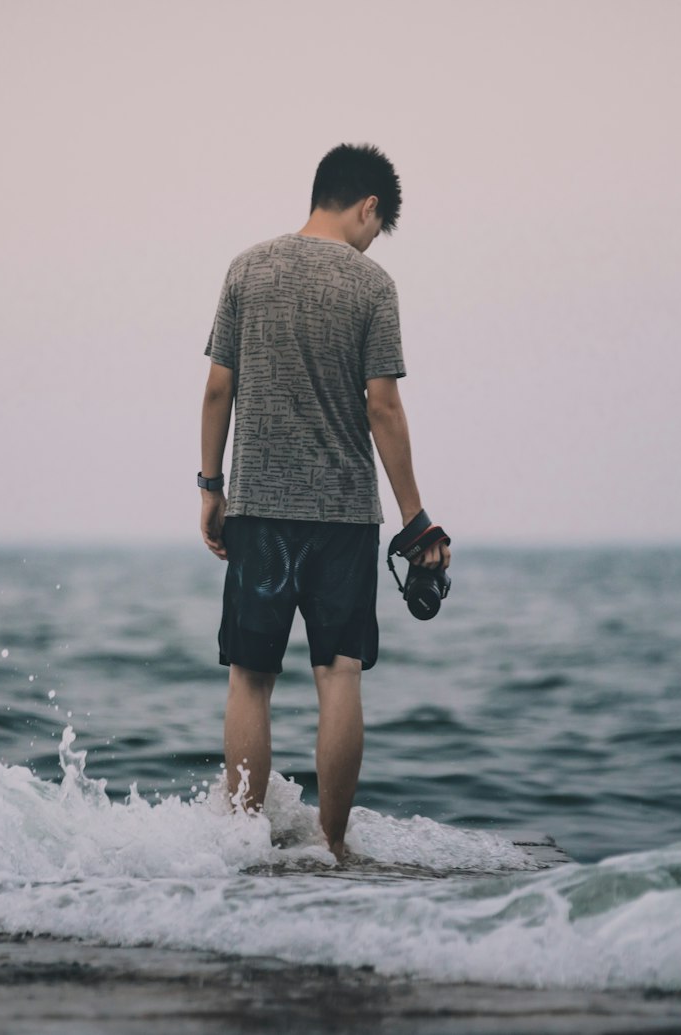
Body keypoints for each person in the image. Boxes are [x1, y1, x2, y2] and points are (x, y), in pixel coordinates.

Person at [197, 142, 450, 861]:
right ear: (368, 205)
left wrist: (211, 487)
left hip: (258, 511)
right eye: (378, 226)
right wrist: (415, 519)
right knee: (338, 674)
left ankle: (242, 843)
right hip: (342, 518)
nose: (373, 242)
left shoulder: (246, 268)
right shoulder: (372, 288)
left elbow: (219, 388)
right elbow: (384, 407)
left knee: (250, 677)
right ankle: (333, 846)